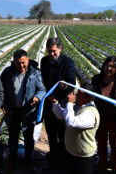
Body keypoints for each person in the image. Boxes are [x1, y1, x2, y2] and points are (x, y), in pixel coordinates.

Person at [0, 49, 46, 173]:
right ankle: (12, 162)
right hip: (13, 110)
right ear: (14, 61)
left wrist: (37, 97)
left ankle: (29, 162)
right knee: (13, 137)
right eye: (18, 63)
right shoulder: (7, 73)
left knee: (29, 137)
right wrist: (3, 104)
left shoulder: (34, 72)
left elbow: (42, 89)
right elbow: (1, 90)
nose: (21, 66)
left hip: (28, 110)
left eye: (24, 62)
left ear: (28, 60)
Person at [40, 37, 76, 168]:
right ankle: (54, 161)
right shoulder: (44, 61)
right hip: (48, 104)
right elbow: (42, 79)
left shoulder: (68, 63)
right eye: (49, 51)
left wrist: (64, 87)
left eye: (54, 51)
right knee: (51, 133)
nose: (51, 54)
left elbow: (72, 84)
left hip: (61, 104)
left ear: (60, 48)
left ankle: (64, 162)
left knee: (63, 134)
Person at [52, 83, 100, 174]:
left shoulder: (90, 113)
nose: (76, 95)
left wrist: (69, 103)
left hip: (83, 158)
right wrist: (55, 103)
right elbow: (61, 115)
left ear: (88, 97)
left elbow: (71, 122)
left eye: (80, 94)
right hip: (72, 153)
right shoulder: (78, 106)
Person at [91, 56, 116, 174]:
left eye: (112, 66)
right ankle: (101, 165)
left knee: (115, 143)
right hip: (100, 115)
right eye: (107, 65)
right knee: (101, 141)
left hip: (115, 117)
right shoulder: (96, 79)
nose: (108, 68)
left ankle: (115, 167)